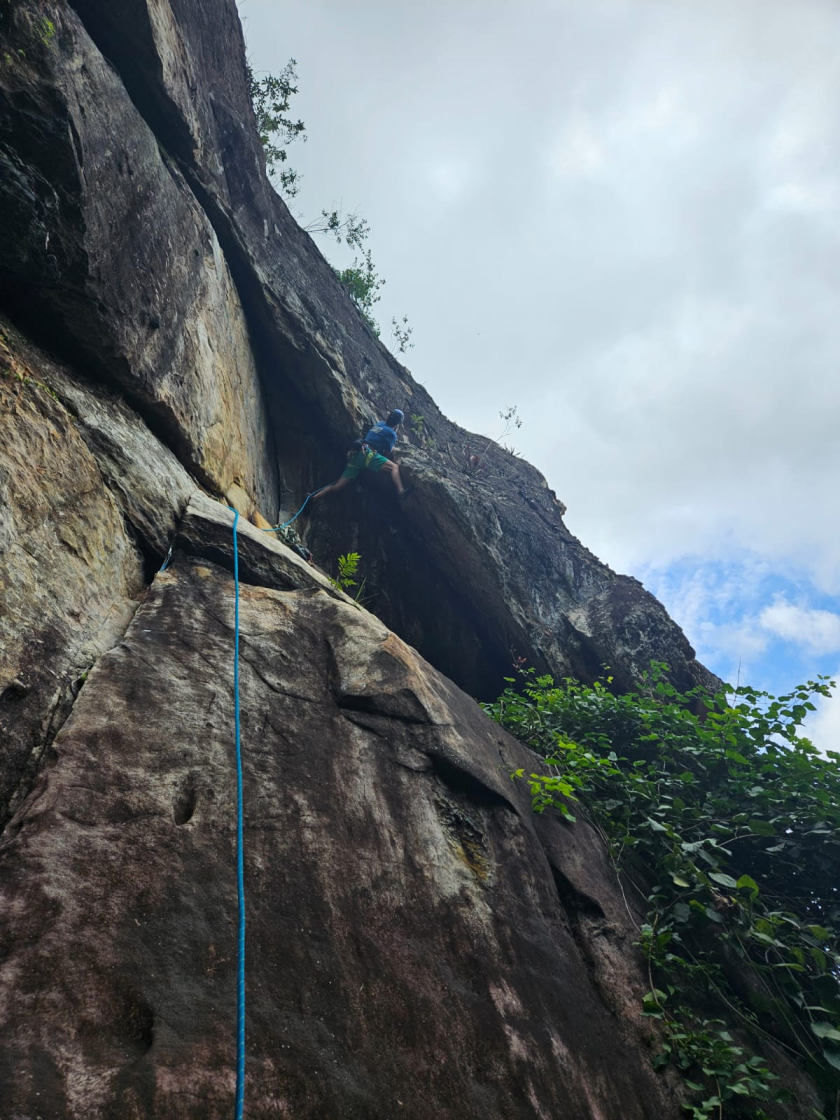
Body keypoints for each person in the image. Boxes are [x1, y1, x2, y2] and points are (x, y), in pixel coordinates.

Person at [311, 409, 411, 503]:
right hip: (368, 456)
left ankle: (314, 497)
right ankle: (401, 491)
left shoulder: (379, 424)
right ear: (397, 423)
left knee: (336, 486)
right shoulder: (392, 434)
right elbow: (387, 453)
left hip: (355, 457)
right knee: (394, 467)